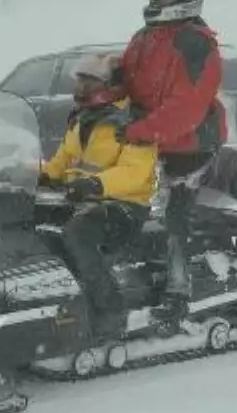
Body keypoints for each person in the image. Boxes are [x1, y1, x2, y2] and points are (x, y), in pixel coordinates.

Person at [113, 0, 228, 323]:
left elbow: (186, 107)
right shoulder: (144, 38)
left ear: (185, 0)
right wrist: (96, 102)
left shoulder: (196, 43)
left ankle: (178, 291)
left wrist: (140, 130)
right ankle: (119, 276)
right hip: (150, 139)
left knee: (173, 213)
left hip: (189, 145)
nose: (154, 2)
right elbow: (124, 80)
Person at [41, 53, 158, 340]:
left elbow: (134, 173)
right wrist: (31, 172)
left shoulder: (134, 123)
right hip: (81, 199)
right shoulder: (82, 119)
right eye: (80, 80)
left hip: (123, 205)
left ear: (112, 85)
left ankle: (110, 312)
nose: (81, 88)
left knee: (78, 235)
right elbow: (61, 163)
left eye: (90, 81)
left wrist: (95, 185)